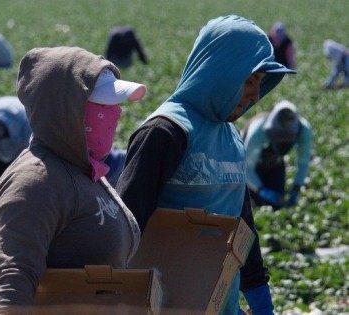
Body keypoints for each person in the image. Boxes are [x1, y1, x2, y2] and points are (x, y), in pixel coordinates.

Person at [116, 15, 295, 314]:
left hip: (220, 303)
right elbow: (124, 230)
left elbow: (243, 230)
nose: (255, 94)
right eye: (249, 80)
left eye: (260, 83)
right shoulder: (166, 132)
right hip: (164, 305)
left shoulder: (232, 138)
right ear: (220, 71)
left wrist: (261, 302)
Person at [0, 46, 146, 312]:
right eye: (102, 105)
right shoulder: (35, 181)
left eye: (115, 105)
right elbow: (15, 279)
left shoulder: (84, 168)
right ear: (64, 109)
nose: (115, 114)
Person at [244, 100, 312, 210]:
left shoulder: (304, 130)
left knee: (278, 202)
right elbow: (246, 167)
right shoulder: (258, 130)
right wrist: (261, 190)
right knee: (254, 204)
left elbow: (303, 162)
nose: (283, 144)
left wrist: (296, 188)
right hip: (253, 165)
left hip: (276, 162)